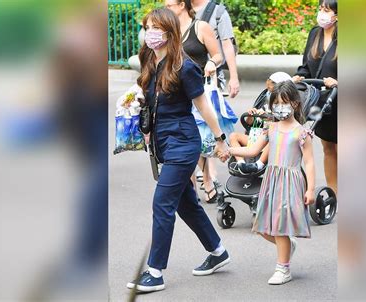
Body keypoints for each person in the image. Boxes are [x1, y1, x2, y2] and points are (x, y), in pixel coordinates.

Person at [126, 8, 230, 293]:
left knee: (162, 204)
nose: (150, 33)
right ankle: (218, 250)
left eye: (155, 28)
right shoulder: (149, 59)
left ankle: (155, 271)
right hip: (162, 143)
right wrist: (136, 100)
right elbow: (149, 95)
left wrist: (220, 138)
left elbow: (202, 105)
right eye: (147, 27)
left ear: (169, 32)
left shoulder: (185, 66)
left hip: (183, 144)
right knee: (186, 204)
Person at [224, 81, 315, 285]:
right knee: (264, 228)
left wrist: (310, 189)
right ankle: (287, 247)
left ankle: (283, 268)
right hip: (272, 180)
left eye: (285, 102)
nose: (280, 107)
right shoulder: (270, 129)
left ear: (295, 104)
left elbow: (309, 162)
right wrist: (228, 150)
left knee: (280, 227)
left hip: (290, 181)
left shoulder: (302, 132)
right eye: (276, 103)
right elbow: (252, 150)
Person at [165, 0, 225, 203]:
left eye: (169, 5)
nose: (167, 9)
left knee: (199, 136)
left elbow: (218, 55)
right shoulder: (169, 31)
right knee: (186, 138)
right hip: (175, 93)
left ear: (182, 5)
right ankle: (191, 186)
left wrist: (211, 62)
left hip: (199, 89)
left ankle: (207, 178)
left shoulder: (200, 27)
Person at [293, 0, 338, 194]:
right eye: (320, 9)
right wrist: (299, 76)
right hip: (321, 99)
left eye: (326, 10)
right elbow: (306, 65)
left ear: (337, 15)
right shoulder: (315, 34)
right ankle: (333, 193)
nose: (322, 13)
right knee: (328, 147)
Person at [229, 72, 292, 174]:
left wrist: (268, 117)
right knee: (233, 136)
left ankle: (259, 164)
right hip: (255, 137)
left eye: (271, 89)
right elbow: (250, 124)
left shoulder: (283, 109)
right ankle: (240, 163)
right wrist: (251, 115)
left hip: (269, 140)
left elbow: (281, 123)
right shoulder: (265, 103)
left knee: (272, 137)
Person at [191, 0, 240, 98]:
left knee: (210, 110)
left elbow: (227, 45)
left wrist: (234, 77)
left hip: (211, 76)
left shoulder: (218, 12)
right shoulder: (180, 9)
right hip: (185, 74)